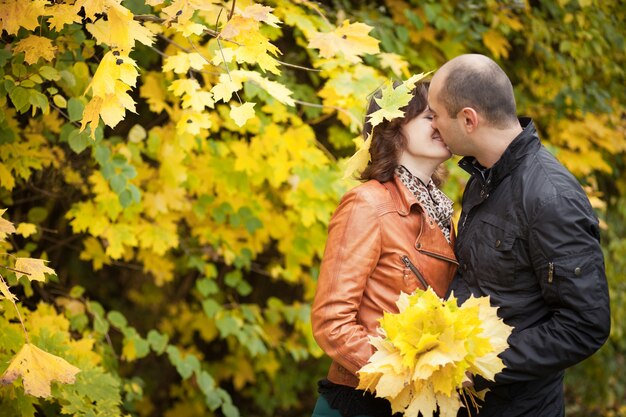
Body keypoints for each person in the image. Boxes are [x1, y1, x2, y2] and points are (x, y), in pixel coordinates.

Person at [427, 54, 611, 416]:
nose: (432, 125)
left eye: (435, 114)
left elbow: (585, 326)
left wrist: (480, 365)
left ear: (468, 119)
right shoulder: (484, 179)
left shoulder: (550, 198)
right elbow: (480, 278)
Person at [310, 80, 458, 417]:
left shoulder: (444, 213)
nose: (442, 124)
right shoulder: (368, 204)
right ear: (394, 128)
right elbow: (332, 323)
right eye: (429, 116)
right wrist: (403, 377)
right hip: (363, 402)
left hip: (418, 402)